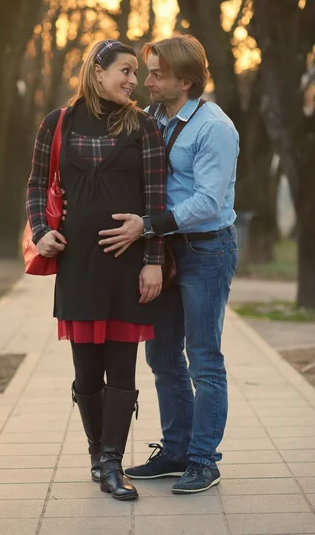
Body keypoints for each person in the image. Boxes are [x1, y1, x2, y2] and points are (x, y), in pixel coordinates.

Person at [98, 34, 239, 494]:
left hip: (205, 249)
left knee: (204, 358)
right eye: (146, 71)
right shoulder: (151, 119)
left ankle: (203, 460)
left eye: (157, 73)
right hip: (166, 250)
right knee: (161, 354)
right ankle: (176, 449)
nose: (147, 80)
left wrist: (149, 224)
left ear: (187, 80)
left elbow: (207, 201)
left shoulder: (214, 127)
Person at [26, 39, 166, 501]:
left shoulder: (143, 126)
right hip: (78, 262)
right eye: (125, 70)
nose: (133, 80)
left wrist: (152, 260)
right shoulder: (58, 122)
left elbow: (156, 198)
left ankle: (113, 463)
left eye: (135, 72)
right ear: (97, 71)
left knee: (122, 369)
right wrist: (41, 230)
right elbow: (36, 185)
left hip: (128, 266)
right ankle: (94, 453)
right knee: (87, 372)